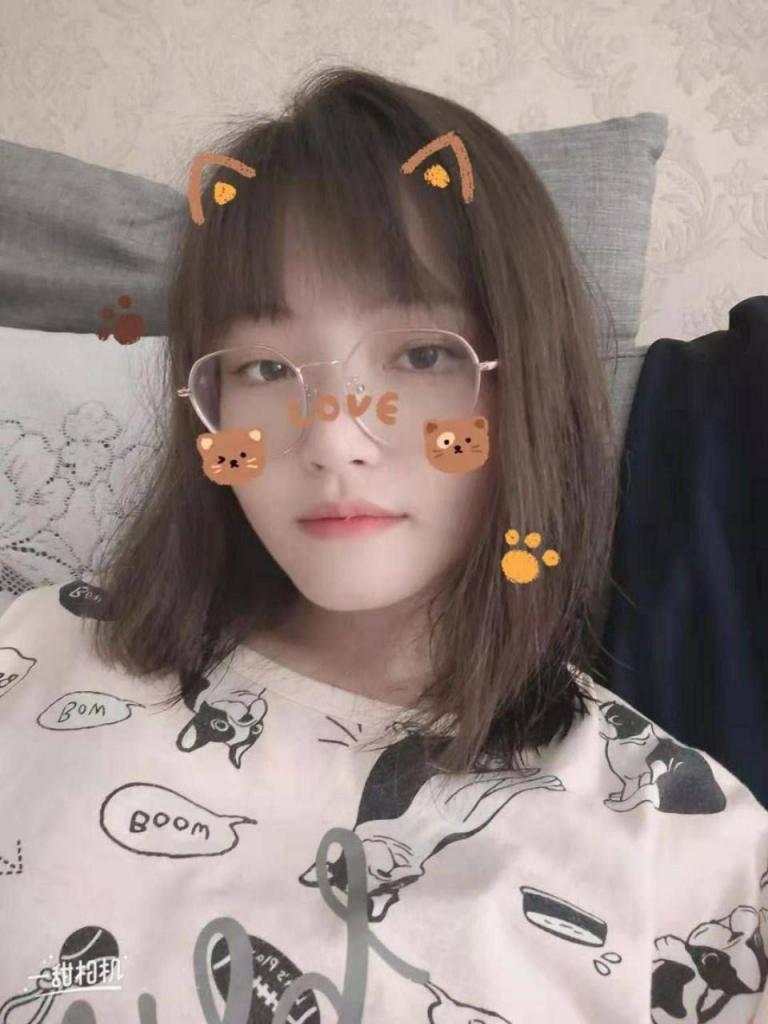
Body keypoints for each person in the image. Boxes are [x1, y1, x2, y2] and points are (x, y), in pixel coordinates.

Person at [0, 65, 766, 1024]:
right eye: (265, 367)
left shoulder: (691, 856)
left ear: (531, 387)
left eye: (423, 354)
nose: (332, 438)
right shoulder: (30, 653)